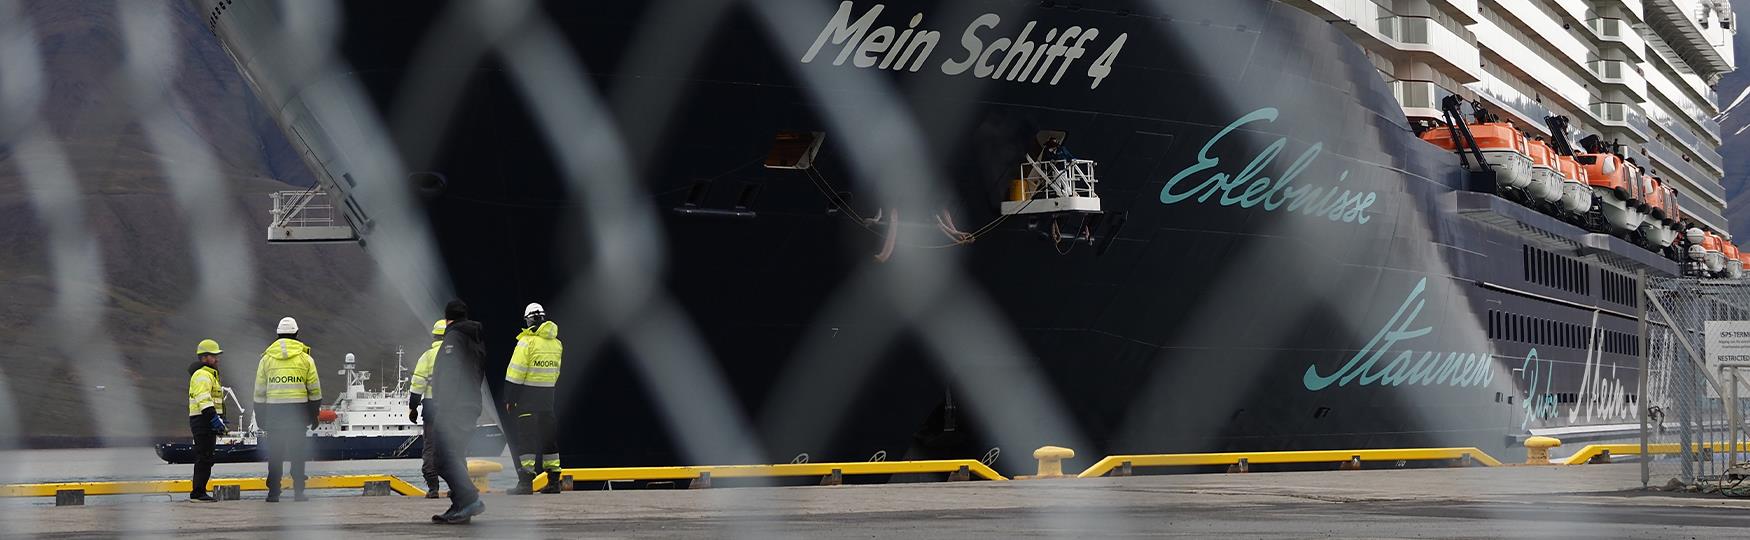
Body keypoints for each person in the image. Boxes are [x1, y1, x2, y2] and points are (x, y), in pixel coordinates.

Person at [428, 300, 488, 524]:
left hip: (454, 407)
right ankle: (460, 505)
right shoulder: (474, 339)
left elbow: (451, 375)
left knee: (442, 458)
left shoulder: (453, 338)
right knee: (456, 454)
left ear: (447, 319)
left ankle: (469, 500)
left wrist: (444, 405)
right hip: (470, 403)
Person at [252, 316, 322, 503]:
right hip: (298, 414)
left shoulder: (266, 360)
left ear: (277, 334)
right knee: (298, 453)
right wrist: (314, 415)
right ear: (297, 334)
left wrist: (260, 417)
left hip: (274, 415)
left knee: (275, 454)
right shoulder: (306, 359)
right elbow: (314, 390)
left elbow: (259, 392)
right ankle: (299, 492)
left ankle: (273, 492)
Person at [504, 303, 564, 495]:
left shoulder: (526, 342)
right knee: (549, 440)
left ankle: (525, 483)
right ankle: (554, 481)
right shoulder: (556, 343)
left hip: (527, 399)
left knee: (527, 440)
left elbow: (515, 374)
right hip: (548, 399)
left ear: (529, 319)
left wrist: (510, 398)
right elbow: (556, 372)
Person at [408, 319, 447, 499]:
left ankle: (433, 488)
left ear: (434, 336)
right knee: (454, 447)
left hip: (431, 408)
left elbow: (417, 384)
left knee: (430, 447)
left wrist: (413, 407)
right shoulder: (458, 356)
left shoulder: (427, 356)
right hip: (453, 408)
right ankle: (458, 486)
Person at [187, 339, 226, 503]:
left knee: (207, 456)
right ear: (204, 358)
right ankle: (198, 493)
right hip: (203, 420)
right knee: (204, 457)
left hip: (205, 420)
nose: (217, 359)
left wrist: (219, 419)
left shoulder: (209, 375)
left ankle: (199, 491)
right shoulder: (202, 375)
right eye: (213, 356)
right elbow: (204, 399)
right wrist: (213, 418)